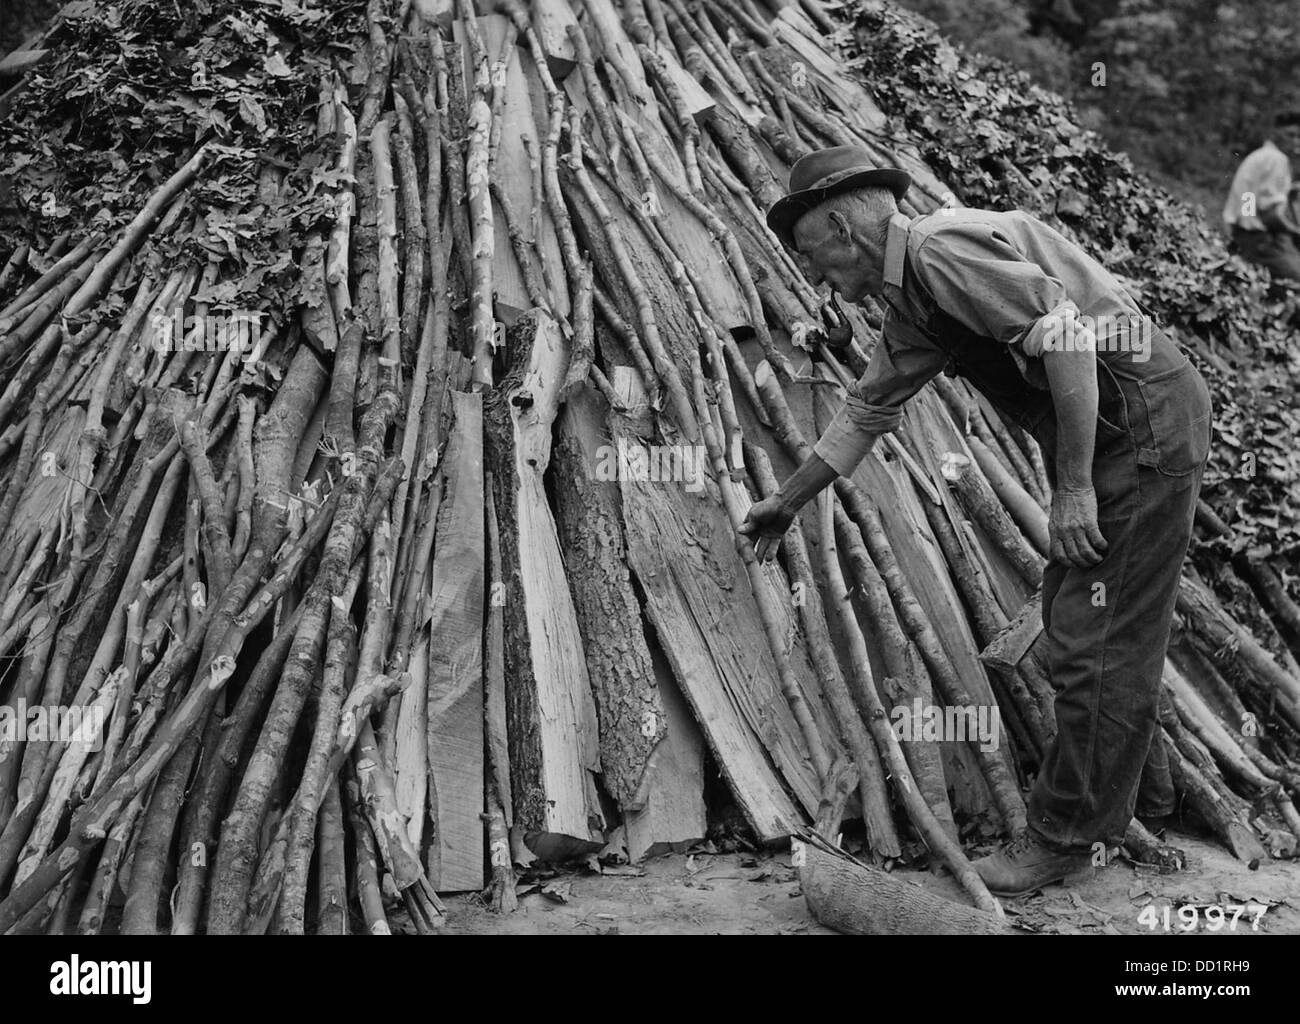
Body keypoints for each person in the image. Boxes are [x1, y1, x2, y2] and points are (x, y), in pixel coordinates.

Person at [740, 146, 1212, 897]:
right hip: (1128, 429)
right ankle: (1134, 806)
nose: (817, 276)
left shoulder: (938, 249)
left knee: (1095, 635)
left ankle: (1063, 839)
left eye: (813, 256)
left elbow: (1065, 337)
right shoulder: (915, 302)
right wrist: (788, 499)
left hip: (1141, 425)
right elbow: (869, 408)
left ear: (841, 225)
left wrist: (1075, 489)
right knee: (1091, 622)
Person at [1222, 111, 1300, 283]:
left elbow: (1252, 200)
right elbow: (1271, 216)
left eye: (1298, 137)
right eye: (1290, 135)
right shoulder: (1277, 159)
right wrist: (1295, 232)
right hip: (1255, 240)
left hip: (1240, 233)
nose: (1295, 142)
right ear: (1275, 133)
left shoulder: (1261, 156)